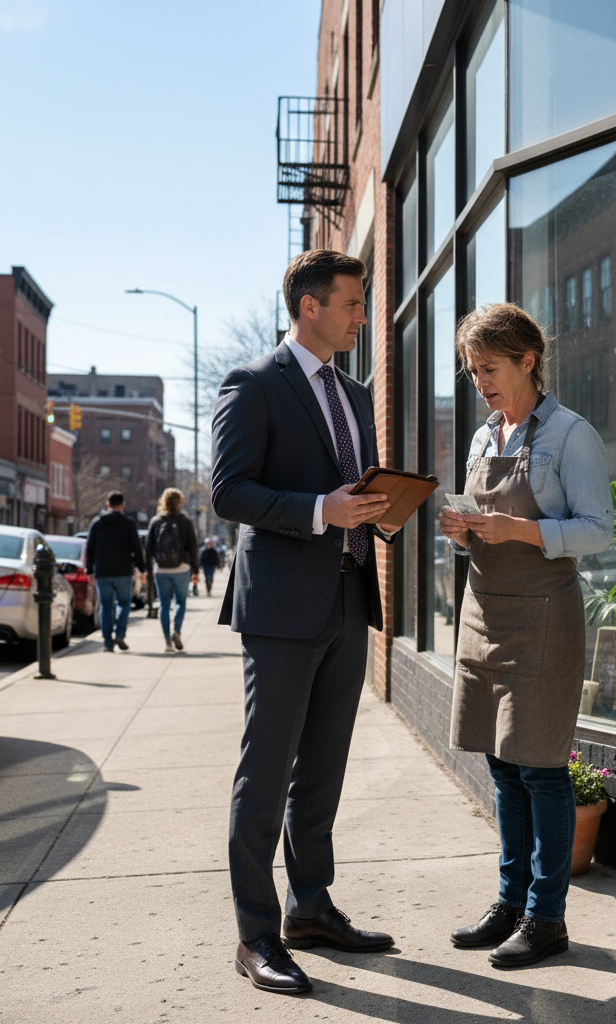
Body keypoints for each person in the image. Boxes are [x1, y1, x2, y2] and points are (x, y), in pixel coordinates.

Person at [211, 249, 400, 996]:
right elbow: (230, 492)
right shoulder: (254, 384)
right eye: (353, 303)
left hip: (350, 600)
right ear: (310, 306)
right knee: (266, 772)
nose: (362, 316)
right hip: (282, 611)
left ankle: (310, 909)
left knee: (321, 773)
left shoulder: (355, 395)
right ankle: (255, 935)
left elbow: (357, 486)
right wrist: (323, 511)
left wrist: (382, 508)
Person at [438, 303, 613, 968]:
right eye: (471, 369)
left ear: (527, 361)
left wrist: (525, 531)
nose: (478, 379)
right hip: (483, 612)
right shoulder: (485, 438)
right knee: (503, 766)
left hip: (542, 619)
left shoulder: (571, 435)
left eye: (487, 367)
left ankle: (548, 918)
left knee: (541, 770)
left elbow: (600, 529)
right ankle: (510, 902)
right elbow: (487, 517)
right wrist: (465, 531)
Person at [85, 490, 146, 653]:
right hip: (123, 571)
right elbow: (136, 548)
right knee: (124, 604)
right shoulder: (128, 523)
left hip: (103, 571)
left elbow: (89, 548)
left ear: (108, 504)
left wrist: (90, 570)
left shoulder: (97, 523)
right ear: (122, 505)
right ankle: (120, 634)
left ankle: (107, 642)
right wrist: (142, 568)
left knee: (105, 607)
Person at [145, 488, 200, 653]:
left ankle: (168, 642)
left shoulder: (156, 521)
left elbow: (148, 549)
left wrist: (148, 569)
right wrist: (196, 571)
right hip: (181, 569)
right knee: (181, 603)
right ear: (180, 502)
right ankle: (177, 631)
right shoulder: (185, 522)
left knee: (163, 604)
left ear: (163, 501)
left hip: (161, 570)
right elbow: (193, 548)